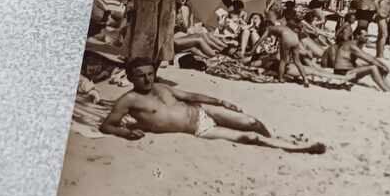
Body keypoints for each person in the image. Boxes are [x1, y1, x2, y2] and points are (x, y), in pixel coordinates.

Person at [99, 57, 324, 153]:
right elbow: (107, 125)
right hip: (200, 129)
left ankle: (277, 137)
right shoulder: (128, 100)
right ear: (130, 78)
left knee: (251, 122)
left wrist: (221, 101)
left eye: (150, 74)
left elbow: (190, 94)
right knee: (250, 138)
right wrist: (125, 133)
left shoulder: (161, 87)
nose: (147, 79)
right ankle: (297, 147)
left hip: (203, 111)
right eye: (141, 76)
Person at [331, 26, 390, 93]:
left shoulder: (355, 44)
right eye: (365, 36)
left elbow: (369, 57)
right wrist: (382, 66)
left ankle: (388, 86)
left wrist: (382, 65)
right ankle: (385, 89)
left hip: (347, 70)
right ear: (357, 36)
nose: (367, 38)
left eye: (367, 36)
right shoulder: (352, 46)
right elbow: (368, 58)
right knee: (373, 68)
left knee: (374, 65)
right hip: (343, 73)